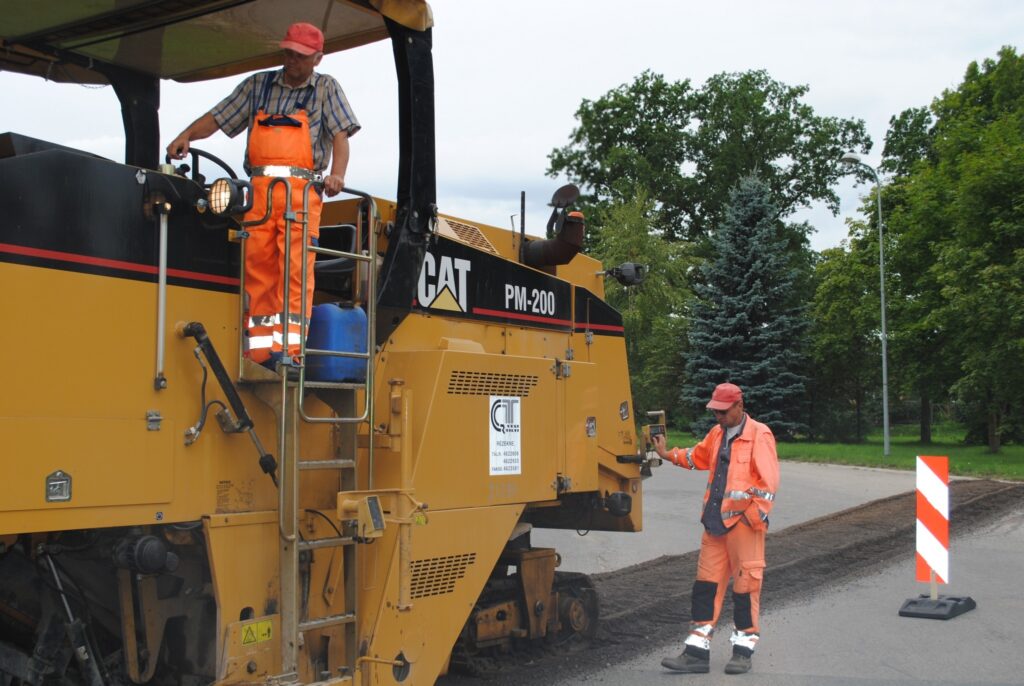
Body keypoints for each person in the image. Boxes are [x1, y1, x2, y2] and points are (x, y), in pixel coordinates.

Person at [167, 22, 360, 369]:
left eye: (300, 56)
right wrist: (187, 135)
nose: (292, 60)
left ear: (317, 58)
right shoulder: (258, 85)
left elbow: (340, 138)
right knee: (258, 273)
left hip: (301, 193)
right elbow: (219, 116)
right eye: (288, 53)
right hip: (258, 195)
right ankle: (258, 355)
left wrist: (338, 176)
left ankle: (289, 354)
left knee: (294, 274)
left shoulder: (326, 88)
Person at [652, 383, 780, 675]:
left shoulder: (759, 434)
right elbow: (696, 456)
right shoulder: (717, 433)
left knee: (746, 588)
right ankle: (696, 653)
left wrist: (751, 518)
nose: (718, 417)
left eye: (723, 412)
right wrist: (667, 454)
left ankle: (742, 652)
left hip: (744, 527)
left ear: (739, 406)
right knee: (705, 587)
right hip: (714, 524)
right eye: (715, 412)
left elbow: (768, 484)